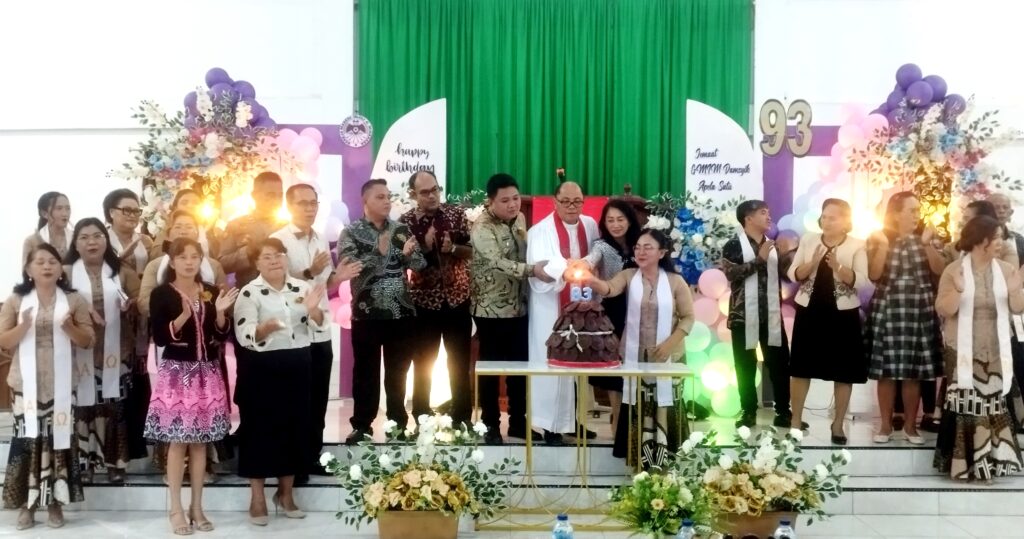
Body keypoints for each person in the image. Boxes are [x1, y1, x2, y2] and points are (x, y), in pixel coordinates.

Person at [144, 238, 237, 534]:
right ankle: (175, 509)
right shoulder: (161, 294)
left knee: (200, 443)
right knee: (178, 442)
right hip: (177, 373)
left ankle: (197, 507)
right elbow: (160, 338)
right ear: (172, 262)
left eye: (194, 256)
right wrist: (183, 316)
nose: (189, 262)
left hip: (207, 373)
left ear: (201, 260)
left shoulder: (210, 291)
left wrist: (220, 315)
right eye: (182, 257)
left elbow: (220, 336)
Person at [234, 238, 328, 525]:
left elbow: (320, 323)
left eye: (279, 255)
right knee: (259, 430)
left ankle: (286, 494)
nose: (274, 260)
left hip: (298, 363)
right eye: (267, 256)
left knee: (295, 427)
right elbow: (245, 334)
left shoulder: (301, 287)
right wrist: (265, 329)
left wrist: (312, 310)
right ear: (257, 263)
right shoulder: (250, 292)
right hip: (261, 367)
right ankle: (257, 498)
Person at [269, 184, 361, 476]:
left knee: (319, 398)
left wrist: (338, 277)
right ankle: (292, 462)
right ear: (289, 206)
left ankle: (312, 455)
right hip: (293, 332)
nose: (310, 208)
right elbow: (276, 283)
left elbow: (324, 284)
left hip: (320, 329)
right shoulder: (277, 240)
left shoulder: (320, 237)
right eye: (303, 203)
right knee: (294, 399)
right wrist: (308, 272)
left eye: (313, 203)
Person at [1, 243, 94, 530]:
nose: (47, 266)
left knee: (59, 442)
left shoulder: (74, 300)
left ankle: (55, 503)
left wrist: (68, 328)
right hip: (24, 385)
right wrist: (23, 327)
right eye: (40, 261)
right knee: (27, 442)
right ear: (28, 269)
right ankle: (27, 505)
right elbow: (4, 341)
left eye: (52, 261)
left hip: (62, 385)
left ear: (60, 269)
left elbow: (88, 340)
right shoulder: (16, 300)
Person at [587, 228, 694, 469]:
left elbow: (688, 317)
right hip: (635, 355)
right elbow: (609, 288)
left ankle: (666, 465)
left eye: (648, 247)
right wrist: (592, 281)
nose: (641, 252)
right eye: (637, 247)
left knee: (666, 405)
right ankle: (639, 465)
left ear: (662, 253)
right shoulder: (628, 275)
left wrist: (669, 344)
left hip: (669, 356)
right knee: (637, 405)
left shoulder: (676, 281)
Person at [934, 215, 1024, 481]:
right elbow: (944, 309)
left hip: (995, 350)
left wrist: (1016, 290)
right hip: (962, 351)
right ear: (980, 239)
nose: (1000, 242)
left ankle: (990, 465)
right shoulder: (955, 270)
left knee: (993, 405)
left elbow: (1018, 309)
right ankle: (965, 466)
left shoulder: (1006, 269)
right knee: (968, 406)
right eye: (996, 238)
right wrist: (959, 290)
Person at [338, 179, 426, 443]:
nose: (387, 201)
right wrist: (378, 252)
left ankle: (397, 424)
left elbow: (419, 264)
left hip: (401, 313)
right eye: (380, 197)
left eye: (388, 196)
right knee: (366, 373)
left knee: (398, 372)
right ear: (365, 201)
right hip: (366, 314)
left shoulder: (400, 229)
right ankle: (362, 425)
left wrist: (409, 255)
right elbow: (350, 266)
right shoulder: (351, 232)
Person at [471, 173, 547, 444]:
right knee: (491, 369)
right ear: (491, 201)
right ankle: (490, 425)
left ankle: (518, 423)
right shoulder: (482, 227)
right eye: (505, 201)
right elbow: (497, 262)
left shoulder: (520, 219)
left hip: (520, 307)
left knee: (519, 368)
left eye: (515, 198)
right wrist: (533, 270)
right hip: (490, 310)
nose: (513, 204)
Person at [64, 218, 141, 483]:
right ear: (75, 244)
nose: (92, 242)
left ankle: (115, 462)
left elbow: (140, 301)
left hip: (117, 350)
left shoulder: (122, 270)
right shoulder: (65, 272)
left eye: (97, 236)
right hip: (76, 352)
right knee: (82, 408)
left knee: (114, 407)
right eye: (84, 237)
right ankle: (83, 463)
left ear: (106, 241)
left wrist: (131, 305)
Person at [865, 191, 945, 444]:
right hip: (888, 308)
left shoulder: (927, 236)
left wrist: (927, 244)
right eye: (912, 210)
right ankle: (885, 426)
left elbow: (940, 270)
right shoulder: (879, 237)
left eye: (918, 211)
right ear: (896, 213)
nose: (917, 215)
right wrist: (883, 246)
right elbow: (874, 274)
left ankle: (911, 427)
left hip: (920, 309)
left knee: (914, 371)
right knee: (886, 372)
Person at [786, 199, 868, 445]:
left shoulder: (857, 245)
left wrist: (839, 267)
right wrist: (812, 263)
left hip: (843, 314)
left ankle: (838, 424)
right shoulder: (809, 240)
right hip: (810, 311)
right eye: (824, 216)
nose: (826, 221)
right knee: (801, 368)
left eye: (832, 217)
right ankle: (795, 422)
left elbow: (862, 281)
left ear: (845, 221)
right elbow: (793, 273)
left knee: (844, 370)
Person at [526, 180, 599, 445]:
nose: (571, 206)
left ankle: (573, 421)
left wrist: (585, 265)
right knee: (553, 361)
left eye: (577, 201)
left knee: (579, 361)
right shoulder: (539, 231)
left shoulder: (590, 224)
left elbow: (597, 253)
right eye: (565, 201)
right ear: (555, 202)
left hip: (582, 304)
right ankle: (551, 426)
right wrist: (565, 267)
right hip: (552, 306)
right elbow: (538, 268)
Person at [399, 171, 473, 426]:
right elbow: (406, 262)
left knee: (459, 361)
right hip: (424, 302)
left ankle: (462, 416)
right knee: (423, 362)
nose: (432, 196)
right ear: (413, 195)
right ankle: (421, 415)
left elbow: (471, 250)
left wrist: (453, 248)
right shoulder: (405, 222)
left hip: (457, 299)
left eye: (435, 190)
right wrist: (425, 247)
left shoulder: (456, 214)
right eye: (425, 192)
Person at [719, 200, 797, 429]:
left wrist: (790, 255)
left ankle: (783, 411)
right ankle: (748, 411)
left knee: (780, 364)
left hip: (771, 316)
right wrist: (760, 259)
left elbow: (786, 275)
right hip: (743, 317)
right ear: (748, 218)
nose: (768, 217)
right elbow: (732, 274)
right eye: (763, 213)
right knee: (745, 366)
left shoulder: (773, 246)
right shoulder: (733, 245)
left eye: (769, 212)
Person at [581, 199, 641, 439]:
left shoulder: (641, 243)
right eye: (610, 220)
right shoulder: (601, 245)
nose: (615, 225)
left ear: (630, 220)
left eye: (620, 219)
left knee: (636, 364)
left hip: (639, 308)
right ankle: (617, 422)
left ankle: (635, 421)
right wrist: (582, 264)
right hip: (611, 309)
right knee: (615, 368)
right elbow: (591, 259)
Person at [102, 189, 154, 460]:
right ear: (111, 212)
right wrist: (122, 257)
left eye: (137, 211)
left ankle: (138, 441)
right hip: (111, 314)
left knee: (138, 374)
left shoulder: (146, 240)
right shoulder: (102, 239)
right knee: (115, 377)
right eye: (127, 210)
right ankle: (112, 448)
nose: (133, 215)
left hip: (139, 315)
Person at [140, 211, 228, 319]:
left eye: (189, 227)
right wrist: (180, 313)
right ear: (168, 234)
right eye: (178, 227)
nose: (183, 232)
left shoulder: (214, 266)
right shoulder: (155, 266)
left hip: (206, 322)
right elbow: (144, 303)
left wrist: (219, 296)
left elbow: (225, 300)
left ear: (197, 233)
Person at [219, 172, 284, 288]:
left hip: (282, 292)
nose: (277, 200)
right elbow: (222, 264)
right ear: (254, 195)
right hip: (248, 291)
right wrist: (247, 252)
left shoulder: (288, 227)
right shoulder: (236, 224)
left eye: (280, 195)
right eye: (270, 195)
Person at [149, 189, 219, 260]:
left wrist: (206, 232)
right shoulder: (169, 228)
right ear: (176, 207)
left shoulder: (208, 230)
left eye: (195, 203)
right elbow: (155, 254)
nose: (190, 206)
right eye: (184, 203)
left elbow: (216, 257)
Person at [23, 192, 72, 262]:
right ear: (44, 214)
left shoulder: (76, 238)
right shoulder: (32, 241)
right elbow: (26, 268)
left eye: (68, 208)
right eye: (59, 208)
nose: (65, 213)